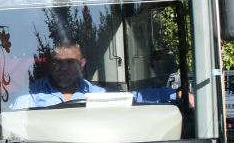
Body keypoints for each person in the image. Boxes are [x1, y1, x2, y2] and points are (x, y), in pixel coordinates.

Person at [11, 38, 180, 109]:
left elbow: (136, 98)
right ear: (49, 64)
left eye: (71, 62)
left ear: (83, 65)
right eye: (57, 62)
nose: (63, 67)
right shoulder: (31, 95)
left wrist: (175, 94)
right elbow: (14, 129)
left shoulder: (96, 95)